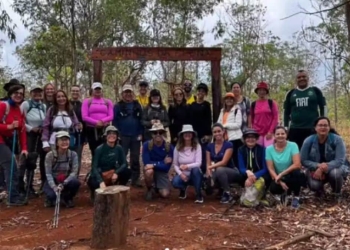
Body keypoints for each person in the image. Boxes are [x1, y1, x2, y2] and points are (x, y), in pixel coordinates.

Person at [300, 117, 347, 199]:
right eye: (320, 125)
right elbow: (303, 160)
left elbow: (340, 160)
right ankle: (320, 190)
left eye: (325, 125)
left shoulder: (337, 140)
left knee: (335, 174)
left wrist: (323, 168)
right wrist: (317, 166)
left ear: (329, 127)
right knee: (314, 185)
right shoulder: (308, 141)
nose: (323, 127)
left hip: (334, 168)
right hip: (314, 169)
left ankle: (336, 193)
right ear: (315, 128)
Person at [283, 70, 327, 149]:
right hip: (295, 129)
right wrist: (285, 127)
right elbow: (286, 112)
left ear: (308, 78)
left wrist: (324, 123)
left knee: (313, 152)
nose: (301, 79)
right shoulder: (291, 93)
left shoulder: (315, 91)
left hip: (312, 128)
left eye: (304, 77)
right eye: (299, 77)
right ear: (296, 80)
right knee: (296, 153)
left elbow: (323, 107)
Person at [0, 84, 28, 205]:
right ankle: (13, 198)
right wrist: (9, 126)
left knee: (9, 167)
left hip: (8, 140)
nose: (18, 95)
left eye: (21, 94)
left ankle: (13, 195)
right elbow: (11, 127)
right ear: (10, 94)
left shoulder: (20, 109)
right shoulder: (3, 106)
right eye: (16, 93)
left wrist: (24, 148)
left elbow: (22, 131)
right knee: (11, 166)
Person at [87, 126, 131, 202]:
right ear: (105, 136)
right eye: (109, 134)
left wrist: (116, 173)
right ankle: (94, 194)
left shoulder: (119, 148)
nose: (112, 136)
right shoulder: (99, 149)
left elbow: (124, 163)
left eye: (114, 134)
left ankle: (119, 191)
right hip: (101, 174)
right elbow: (94, 167)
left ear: (117, 136)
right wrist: (100, 181)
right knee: (93, 181)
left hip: (112, 173)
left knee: (127, 172)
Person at [266, 126, 305, 209]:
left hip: (291, 175)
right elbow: (270, 168)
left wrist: (282, 174)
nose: (280, 135)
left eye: (283, 133)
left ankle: (296, 197)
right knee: (274, 188)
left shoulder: (293, 145)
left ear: (286, 135)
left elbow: (297, 164)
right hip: (278, 177)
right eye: (278, 134)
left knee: (297, 172)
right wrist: (278, 180)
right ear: (274, 135)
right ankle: (286, 193)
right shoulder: (269, 149)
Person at [113, 84, 143, 187]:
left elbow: (141, 120)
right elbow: (115, 121)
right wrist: (117, 134)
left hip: (135, 136)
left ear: (133, 93)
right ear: (122, 94)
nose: (128, 94)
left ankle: (135, 178)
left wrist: (140, 133)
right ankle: (122, 177)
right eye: (126, 92)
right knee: (122, 158)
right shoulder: (118, 106)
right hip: (123, 136)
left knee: (135, 158)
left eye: (130, 92)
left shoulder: (137, 105)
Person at [19, 85, 46, 197]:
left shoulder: (43, 106)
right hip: (28, 135)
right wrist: (31, 128)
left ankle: (30, 187)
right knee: (26, 161)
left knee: (34, 161)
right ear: (30, 93)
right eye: (35, 92)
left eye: (39, 92)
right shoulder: (26, 104)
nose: (37, 94)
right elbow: (19, 119)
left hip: (39, 136)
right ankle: (21, 187)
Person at [44, 131, 80, 208]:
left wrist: (64, 183)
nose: (64, 142)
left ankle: (68, 198)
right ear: (57, 143)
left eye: (66, 140)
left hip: (66, 180)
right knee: (52, 195)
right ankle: (50, 198)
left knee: (75, 182)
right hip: (54, 180)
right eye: (62, 140)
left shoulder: (73, 154)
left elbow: (74, 172)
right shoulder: (50, 155)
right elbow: (48, 173)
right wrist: (54, 186)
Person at [206, 123, 241, 204]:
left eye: (219, 131)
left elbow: (224, 162)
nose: (217, 133)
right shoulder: (209, 146)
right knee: (208, 182)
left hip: (231, 171)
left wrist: (210, 168)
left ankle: (228, 193)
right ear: (212, 133)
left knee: (220, 169)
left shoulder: (229, 144)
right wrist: (209, 174)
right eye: (215, 132)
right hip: (216, 170)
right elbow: (208, 162)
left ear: (223, 131)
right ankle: (220, 190)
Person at [142, 123, 174, 201]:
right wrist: (161, 162)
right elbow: (146, 163)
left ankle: (157, 187)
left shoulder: (169, 147)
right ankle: (150, 188)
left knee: (165, 194)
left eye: (160, 132)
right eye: (155, 132)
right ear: (152, 134)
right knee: (148, 171)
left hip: (162, 172)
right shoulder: (146, 145)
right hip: (152, 170)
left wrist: (154, 164)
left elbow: (166, 168)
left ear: (164, 134)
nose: (158, 134)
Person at [172, 125, 203, 203]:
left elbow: (198, 163)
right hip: (183, 174)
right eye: (185, 133)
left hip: (194, 173)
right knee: (175, 182)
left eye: (189, 133)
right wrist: (180, 174)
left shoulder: (197, 146)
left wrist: (187, 166)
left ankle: (198, 193)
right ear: (182, 135)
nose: (187, 134)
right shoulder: (177, 147)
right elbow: (175, 164)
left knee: (196, 170)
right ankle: (183, 188)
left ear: (192, 135)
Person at [82, 82, 114, 157]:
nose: (98, 91)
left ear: (102, 90)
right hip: (92, 130)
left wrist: (102, 121)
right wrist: (96, 122)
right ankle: (95, 167)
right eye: (96, 89)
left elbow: (111, 116)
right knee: (95, 151)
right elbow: (84, 116)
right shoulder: (87, 102)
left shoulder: (107, 102)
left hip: (105, 129)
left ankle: (105, 168)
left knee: (106, 149)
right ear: (92, 90)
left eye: (99, 89)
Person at [189, 83, 212, 172]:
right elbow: (190, 120)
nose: (200, 93)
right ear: (197, 92)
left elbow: (209, 120)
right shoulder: (192, 105)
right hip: (194, 134)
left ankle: (205, 173)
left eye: (203, 91)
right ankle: (194, 173)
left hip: (204, 135)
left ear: (205, 93)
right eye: (199, 91)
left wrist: (209, 134)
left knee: (203, 153)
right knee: (193, 153)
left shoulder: (206, 105)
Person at [217, 92, 243, 168]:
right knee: (226, 159)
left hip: (235, 138)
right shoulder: (222, 111)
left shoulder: (237, 110)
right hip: (224, 139)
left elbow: (238, 124)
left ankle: (239, 176)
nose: (229, 100)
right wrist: (218, 128)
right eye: (227, 99)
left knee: (236, 159)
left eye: (231, 99)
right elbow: (219, 122)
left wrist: (225, 126)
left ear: (233, 100)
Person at [250, 82, 279, 148]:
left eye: (263, 90)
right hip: (257, 133)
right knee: (259, 152)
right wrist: (254, 130)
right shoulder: (253, 104)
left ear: (266, 92)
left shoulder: (271, 103)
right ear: (257, 92)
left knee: (269, 152)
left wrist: (270, 131)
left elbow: (275, 117)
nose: (261, 92)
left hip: (269, 133)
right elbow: (252, 118)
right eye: (260, 90)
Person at [70, 85, 85, 176]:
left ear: (80, 93)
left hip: (80, 135)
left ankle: (75, 177)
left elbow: (85, 120)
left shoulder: (83, 105)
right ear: (70, 92)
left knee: (77, 156)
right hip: (68, 135)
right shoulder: (66, 104)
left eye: (77, 91)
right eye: (73, 91)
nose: (75, 92)